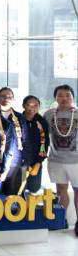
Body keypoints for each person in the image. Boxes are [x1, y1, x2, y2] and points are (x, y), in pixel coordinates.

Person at [44, 84, 78, 236]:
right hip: (56, 159)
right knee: (61, 190)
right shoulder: (49, 114)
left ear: (73, 97)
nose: (64, 98)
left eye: (67, 95)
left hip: (76, 161)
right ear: (55, 98)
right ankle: (61, 220)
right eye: (60, 95)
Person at [0, 87, 27, 195]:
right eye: (2, 96)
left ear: (13, 99)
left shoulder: (19, 117)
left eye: (9, 97)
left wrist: (26, 160)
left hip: (14, 160)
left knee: (11, 194)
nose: (6, 99)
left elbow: (25, 139)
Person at [22, 94, 49, 196]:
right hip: (20, 163)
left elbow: (45, 143)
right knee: (19, 189)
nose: (32, 108)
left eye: (35, 105)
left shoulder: (42, 122)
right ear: (23, 105)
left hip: (35, 161)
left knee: (34, 188)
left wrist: (38, 162)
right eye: (29, 105)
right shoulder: (17, 119)